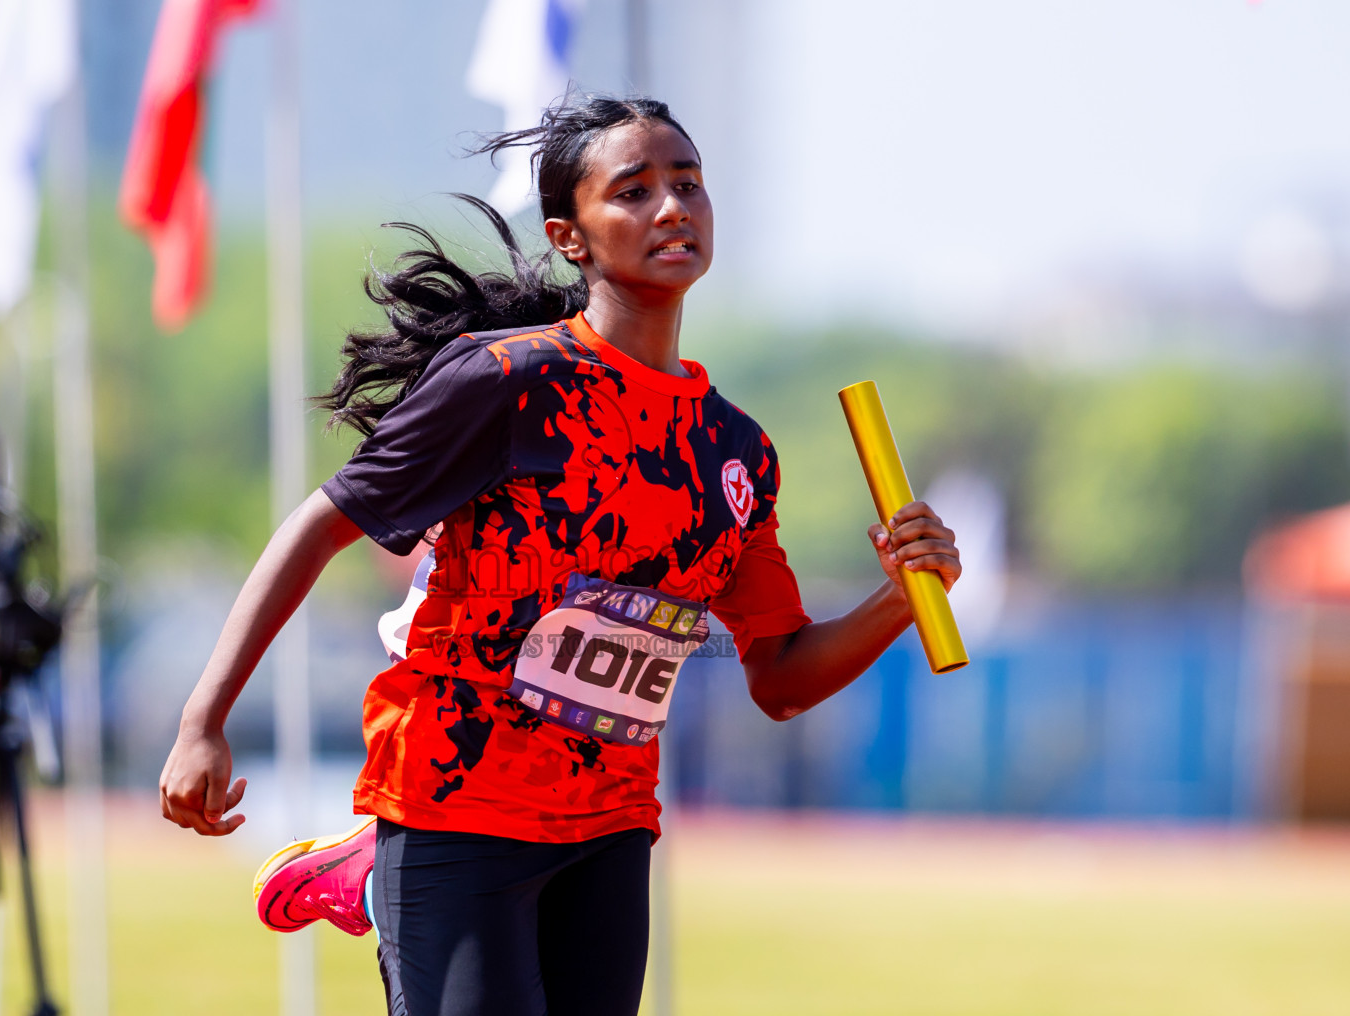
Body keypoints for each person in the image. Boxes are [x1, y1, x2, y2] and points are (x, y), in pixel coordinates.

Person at [159, 95, 962, 1016]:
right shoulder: (510, 382)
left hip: (610, 828)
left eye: (689, 185)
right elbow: (320, 525)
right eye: (635, 191)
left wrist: (899, 598)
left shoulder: (733, 450)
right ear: (569, 237)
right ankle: (383, 873)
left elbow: (779, 677)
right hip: (455, 805)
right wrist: (202, 719)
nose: (673, 208)